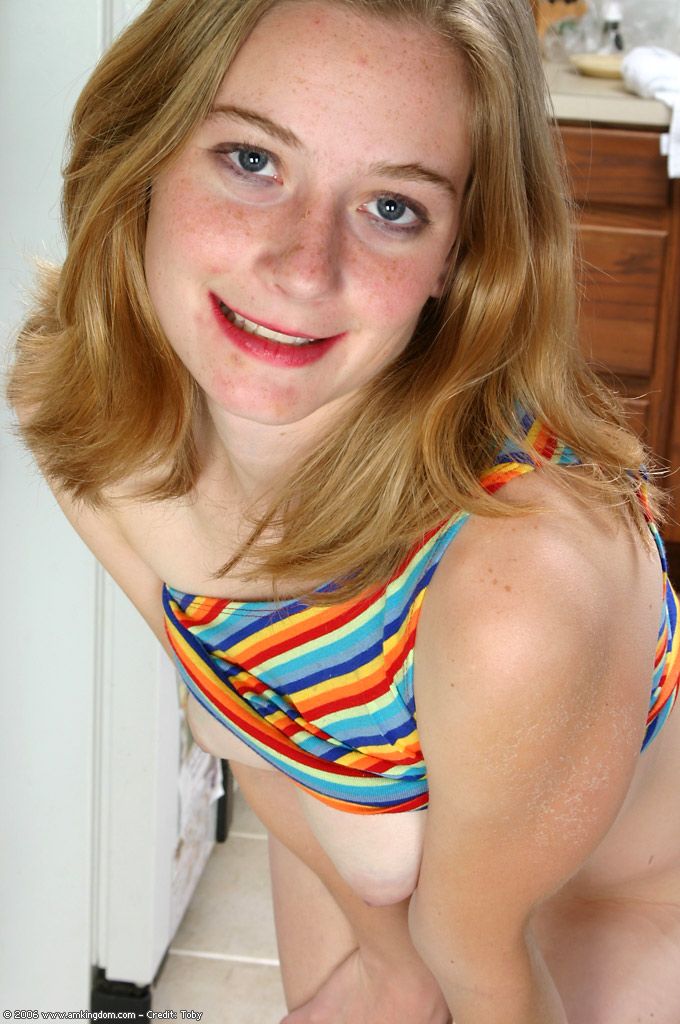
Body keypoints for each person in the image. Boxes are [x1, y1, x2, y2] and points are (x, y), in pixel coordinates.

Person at [6, 0, 680, 1021]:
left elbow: (477, 962)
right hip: (381, 857)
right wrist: (382, 958)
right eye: (251, 160)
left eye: (392, 207)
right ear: (142, 152)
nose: (302, 266)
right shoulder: (86, 414)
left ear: (461, 256)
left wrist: (403, 964)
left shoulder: (518, 587)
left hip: (608, 907)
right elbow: (250, 723)